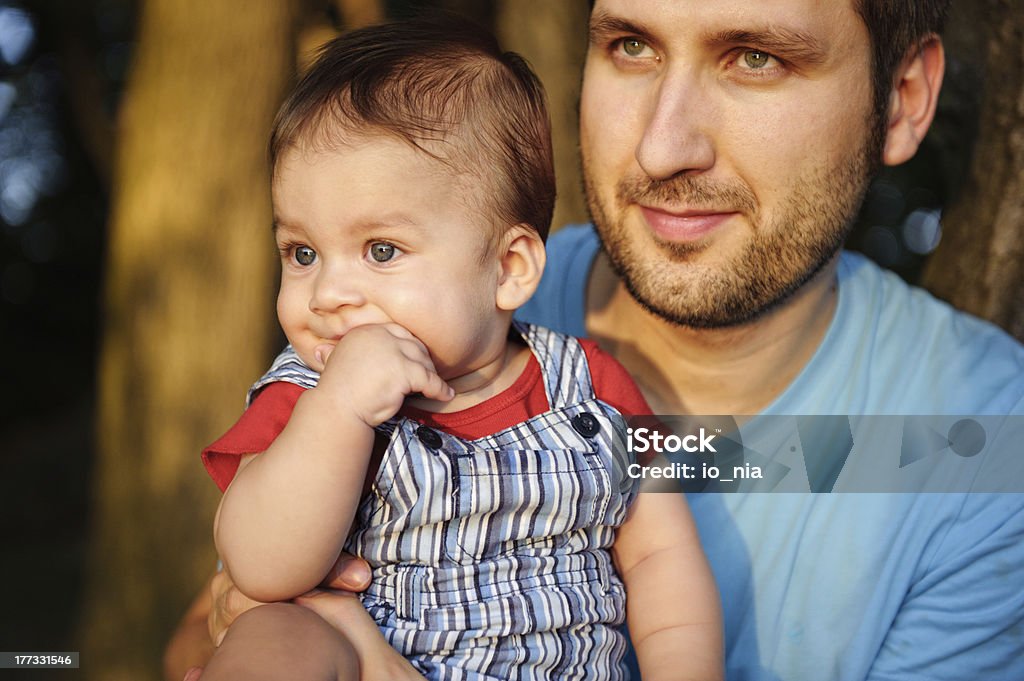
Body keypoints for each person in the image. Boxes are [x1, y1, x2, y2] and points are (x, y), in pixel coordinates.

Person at [166, 0, 1024, 679]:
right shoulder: (397, 323)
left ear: (902, 101)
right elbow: (199, 639)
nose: (665, 143)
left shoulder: (981, 445)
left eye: (756, 57)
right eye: (631, 46)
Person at [192, 15, 722, 681]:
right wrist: (340, 411)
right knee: (276, 632)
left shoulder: (594, 387)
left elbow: (659, 556)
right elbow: (261, 565)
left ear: (508, 269)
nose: (327, 291)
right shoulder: (302, 393)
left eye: (380, 250)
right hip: (361, 654)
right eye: (302, 252)